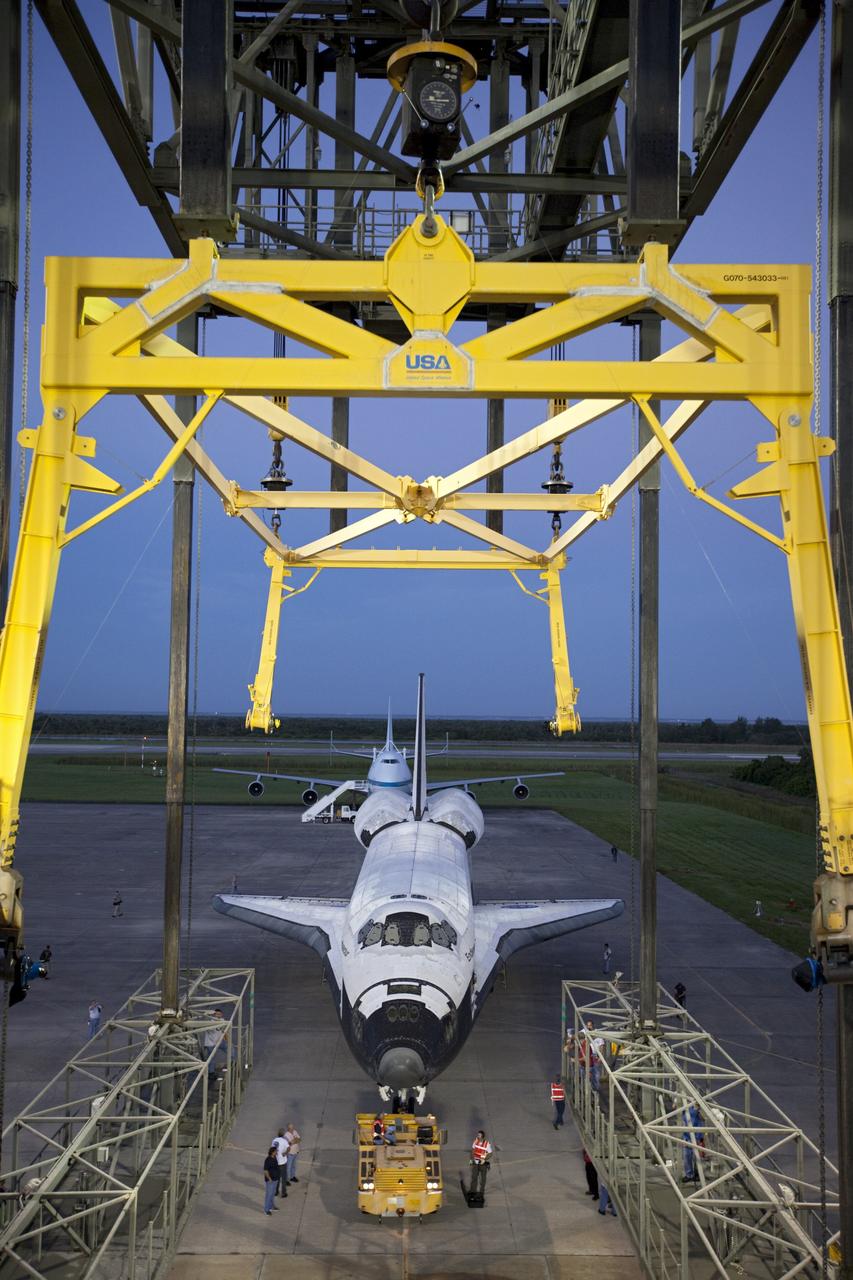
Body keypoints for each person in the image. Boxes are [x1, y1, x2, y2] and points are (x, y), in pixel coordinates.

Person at [682, 1101, 703, 1182]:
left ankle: (697, 1174)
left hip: (697, 1135)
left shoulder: (698, 1109)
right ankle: (689, 1174)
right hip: (687, 1135)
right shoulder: (686, 1108)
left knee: (697, 1157)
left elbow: (703, 1119)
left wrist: (698, 1109)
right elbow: (674, 1106)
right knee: (687, 1156)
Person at [203, 1009, 227, 1078]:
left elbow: (224, 1030)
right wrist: (207, 1015)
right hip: (210, 1044)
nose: (218, 1016)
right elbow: (210, 1028)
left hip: (219, 1041)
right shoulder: (210, 1022)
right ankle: (211, 1073)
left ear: (222, 1015)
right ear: (214, 1015)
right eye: (217, 1014)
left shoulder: (222, 1020)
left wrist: (226, 1039)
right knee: (211, 1058)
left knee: (230, 1049)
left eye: (219, 1014)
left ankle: (233, 1062)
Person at [469, 1130, 492, 1199]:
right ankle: (473, 1191)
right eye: (478, 1135)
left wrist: (484, 1159)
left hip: (482, 1164)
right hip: (475, 1162)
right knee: (474, 1177)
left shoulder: (487, 1144)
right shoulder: (476, 1141)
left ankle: (481, 1192)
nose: (478, 1136)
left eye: (479, 1135)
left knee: (482, 1179)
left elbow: (490, 1154)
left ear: (482, 1136)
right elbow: (472, 1151)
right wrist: (471, 1160)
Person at [586, 1020, 605, 1091]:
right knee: (588, 1072)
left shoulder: (598, 1033)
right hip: (588, 1055)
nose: (589, 1027)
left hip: (595, 1056)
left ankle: (596, 1088)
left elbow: (602, 1046)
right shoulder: (585, 1032)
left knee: (596, 1072)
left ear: (593, 1025)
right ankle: (589, 1087)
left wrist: (600, 1057)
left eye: (590, 1025)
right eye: (587, 1025)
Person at [271, 1129, 290, 1196]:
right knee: (284, 1178)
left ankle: (276, 1191)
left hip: (276, 1162)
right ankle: (283, 1192)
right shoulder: (284, 1141)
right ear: (283, 1134)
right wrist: (286, 1153)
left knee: (277, 1178)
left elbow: (272, 1149)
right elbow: (288, 1148)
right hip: (282, 1162)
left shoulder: (274, 1140)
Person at [263, 1147, 280, 1215]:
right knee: (269, 1195)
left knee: (272, 1194)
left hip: (275, 1179)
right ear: (272, 1152)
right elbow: (265, 1170)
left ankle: (271, 1206)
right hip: (270, 1180)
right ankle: (266, 1210)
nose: (277, 1152)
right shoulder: (268, 1160)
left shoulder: (275, 1158)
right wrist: (269, 1178)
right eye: (276, 1151)